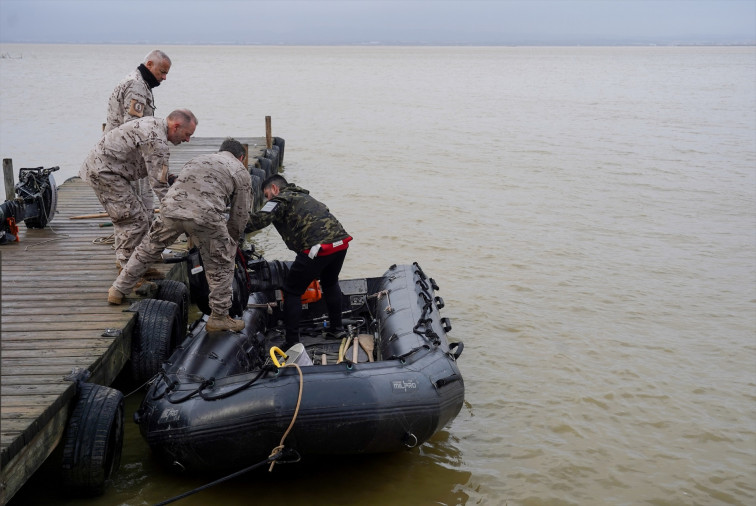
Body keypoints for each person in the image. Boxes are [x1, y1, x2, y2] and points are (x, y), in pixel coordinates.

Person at [108, 138, 252, 333]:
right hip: (205, 215)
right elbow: (240, 214)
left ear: (220, 151)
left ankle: (118, 289)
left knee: (147, 249)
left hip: (171, 208)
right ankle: (218, 317)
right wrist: (231, 241)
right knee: (221, 263)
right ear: (241, 157)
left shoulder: (198, 159)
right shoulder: (239, 170)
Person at [79, 109, 197, 271]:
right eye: (187, 134)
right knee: (133, 220)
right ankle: (129, 273)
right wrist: (180, 215)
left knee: (139, 216)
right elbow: (160, 188)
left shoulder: (156, 126)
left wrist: (171, 178)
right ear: (176, 126)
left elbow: (155, 167)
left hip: (111, 169)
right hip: (104, 172)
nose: (188, 140)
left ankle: (136, 262)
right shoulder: (157, 141)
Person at [246, 174, 352, 346]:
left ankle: (292, 342)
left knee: (292, 291)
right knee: (330, 283)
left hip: (317, 248)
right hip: (341, 243)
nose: (267, 199)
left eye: (266, 195)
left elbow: (257, 221)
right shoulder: (303, 195)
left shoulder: (279, 200)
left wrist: (229, 223)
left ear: (274, 189)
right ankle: (337, 329)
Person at [104, 50, 172, 220]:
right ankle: (142, 241)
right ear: (149, 65)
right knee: (138, 209)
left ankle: (144, 239)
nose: (164, 78)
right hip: (126, 157)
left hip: (125, 155)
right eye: (162, 72)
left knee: (140, 207)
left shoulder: (141, 83)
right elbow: (133, 129)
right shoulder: (137, 86)